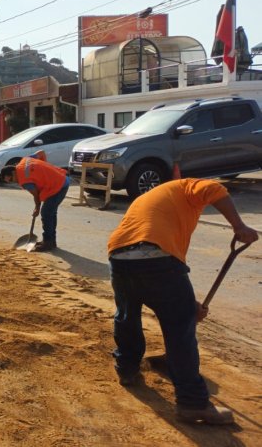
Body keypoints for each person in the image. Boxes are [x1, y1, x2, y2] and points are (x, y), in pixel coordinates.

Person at [107, 178, 257, 425]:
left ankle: (126, 367)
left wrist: (189, 305)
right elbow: (214, 189)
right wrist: (238, 226)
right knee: (179, 329)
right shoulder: (190, 185)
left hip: (119, 255)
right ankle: (193, 404)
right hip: (157, 256)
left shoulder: (153, 198)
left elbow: (158, 281)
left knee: (127, 314)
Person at [0, 151, 69, 251]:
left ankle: (48, 242)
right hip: (61, 179)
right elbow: (41, 153)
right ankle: (51, 241)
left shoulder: (24, 179)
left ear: (13, 172)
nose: (14, 182)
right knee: (51, 213)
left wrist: (37, 208)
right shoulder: (25, 160)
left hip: (57, 186)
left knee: (46, 213)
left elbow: (36, 196)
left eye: (11, 179)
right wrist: (44, 171)